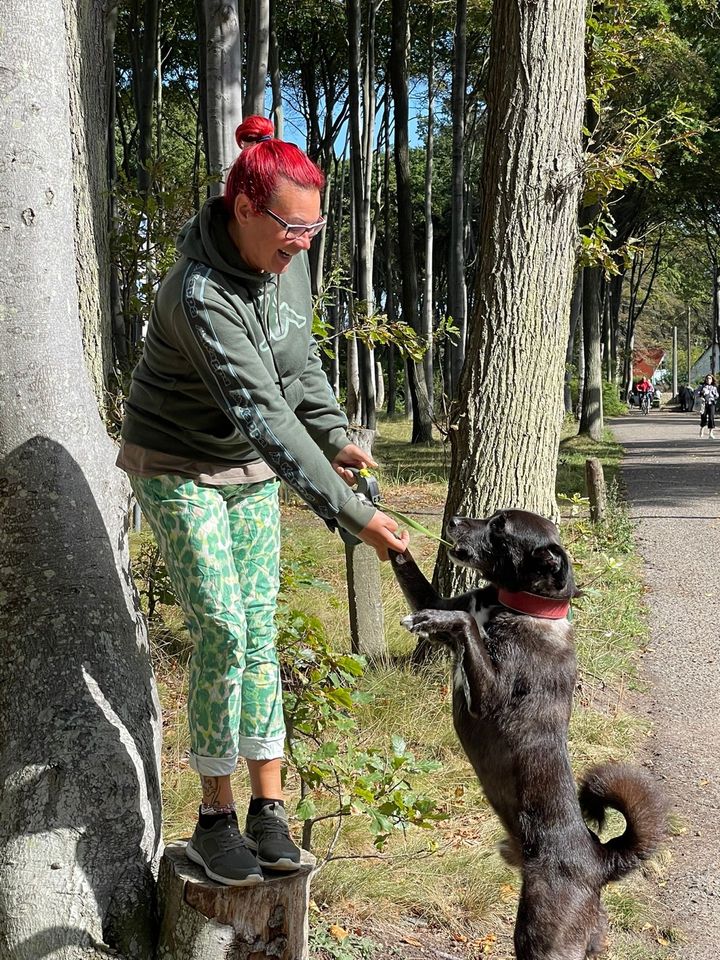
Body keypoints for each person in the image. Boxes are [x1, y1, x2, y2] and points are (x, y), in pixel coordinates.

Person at [117, 115, 409, 886]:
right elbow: (263, 415)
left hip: (245, 469)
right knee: (220, 625)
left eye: (315, 228)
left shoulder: (289, 261)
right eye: (292, 227)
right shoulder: (199, 293)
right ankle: (213, 816)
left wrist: (337, 434)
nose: (304, 243)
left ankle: (265, 809)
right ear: (244, 208)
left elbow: (299, 364)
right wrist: (355, 517)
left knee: (258, 629)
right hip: (177, 465)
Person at [695, 374, 719, 439]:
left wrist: (714, 394)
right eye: (707, 378)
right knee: (703, 417)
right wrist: (701, 393)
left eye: (710, 378)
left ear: (712, 380)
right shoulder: (702, 386)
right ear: (705, 379)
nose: (708, 380)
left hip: (711, 403)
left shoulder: (714, 387)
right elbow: (696, 393)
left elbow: (717, 395)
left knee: (711, 418)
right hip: (704, 404)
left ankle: (711, 433)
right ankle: (702, 429)